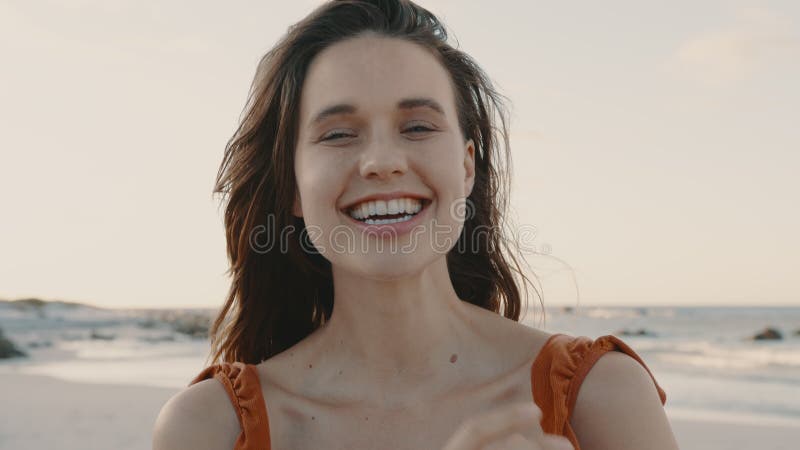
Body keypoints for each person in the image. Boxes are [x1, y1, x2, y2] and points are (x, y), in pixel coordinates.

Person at [153, 1, 679, 449]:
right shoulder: (209, 428)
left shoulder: (602, 395)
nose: (383, 161)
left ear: (467, 166)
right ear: (292, 185)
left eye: (418, 126)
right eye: (338, 134)